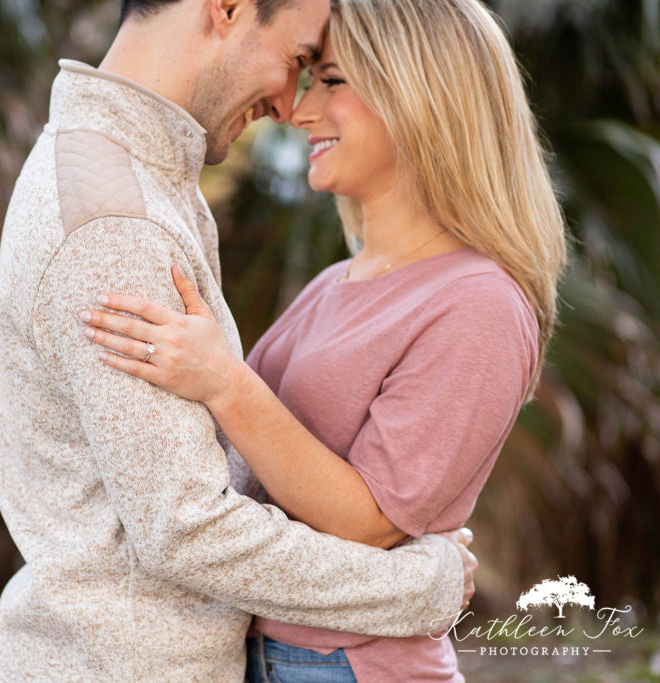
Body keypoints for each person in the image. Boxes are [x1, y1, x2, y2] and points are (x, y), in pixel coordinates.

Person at [0, 0, 479, 680]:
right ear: (226, 8)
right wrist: (416, 587)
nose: (287, 103)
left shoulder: (125, 176)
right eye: (297, 60)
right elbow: (188, 528)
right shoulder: (117, 225)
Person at [81, 0, 567, 680]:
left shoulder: (480, 303)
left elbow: (371, 520)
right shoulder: (337, 280)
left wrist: (224, 380)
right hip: (264, 651)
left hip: (346, 664)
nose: (300, 112)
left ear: (421, 92)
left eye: (332, 81)